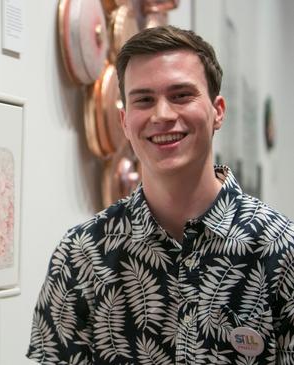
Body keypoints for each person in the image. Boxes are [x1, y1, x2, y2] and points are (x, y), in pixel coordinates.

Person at [26, 25, 294, 364]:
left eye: (181, 95)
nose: (162, 115)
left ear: (218, 111)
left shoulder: (281, 252)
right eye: (144, 99)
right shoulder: (81, 256)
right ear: (124, 121)